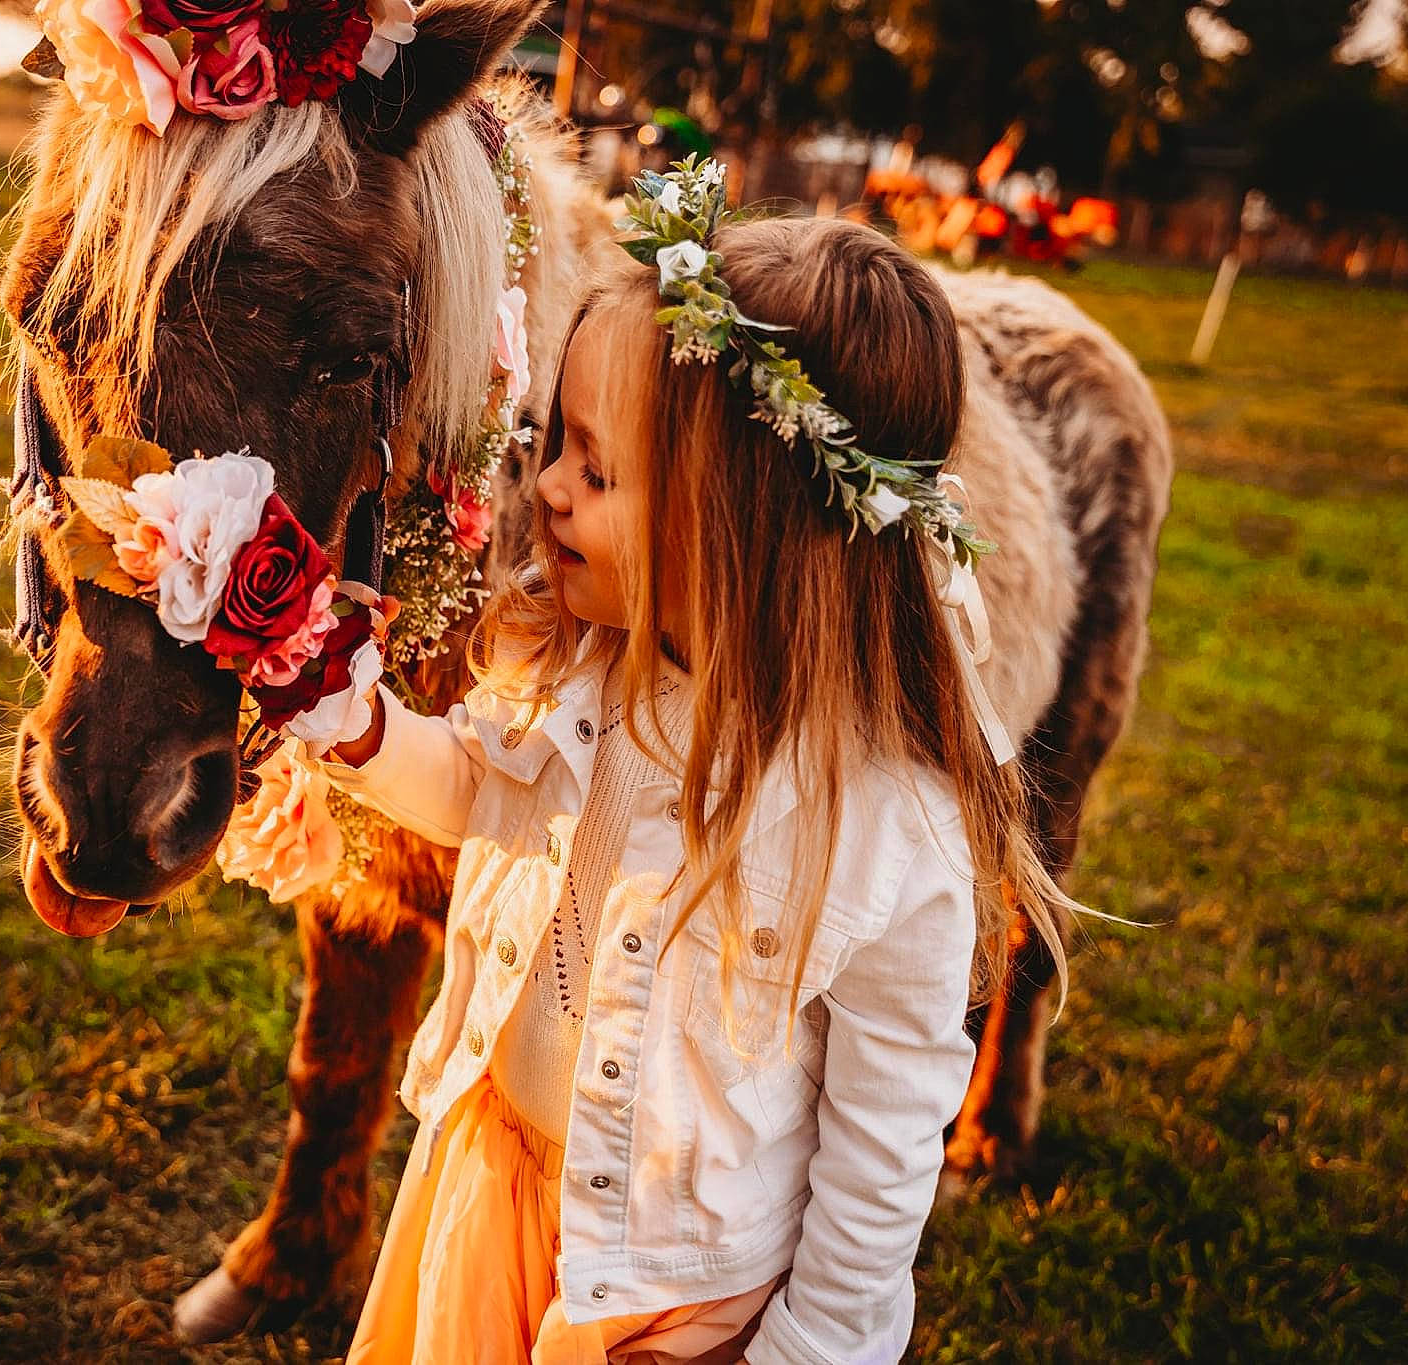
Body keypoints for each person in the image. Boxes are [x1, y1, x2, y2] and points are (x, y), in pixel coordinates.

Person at [316, 161, 1078, 1364]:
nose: (544, 489)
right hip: (495, 1196)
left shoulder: (883, 825)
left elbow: (881, 1150)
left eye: (594, 469)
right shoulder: (578, 665)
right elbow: (483, 798)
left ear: (743, 523)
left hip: (663, 1308)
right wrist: (350, 723)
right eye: (554, 443)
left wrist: (813, 1347)